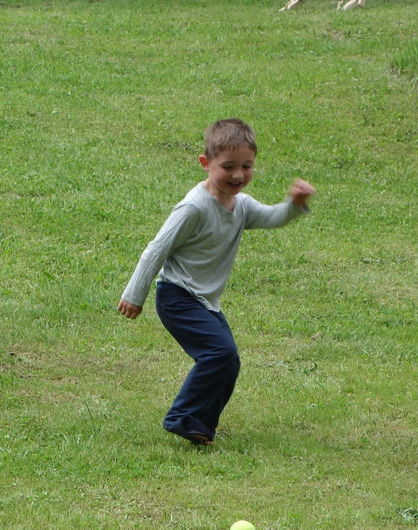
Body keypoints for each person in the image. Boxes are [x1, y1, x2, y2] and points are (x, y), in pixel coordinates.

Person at [118, 118, 313, 445]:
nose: (239, 175)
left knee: (228, 360)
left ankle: (199, 425)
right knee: (219, 354)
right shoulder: (194, 207)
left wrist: (294, 205)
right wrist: (134, 294)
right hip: (177, 296)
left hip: (204, 301)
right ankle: (183, 417)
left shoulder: (241, 206)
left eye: (247, 166)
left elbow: (273, 218)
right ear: (206, 164)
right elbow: (157, 249)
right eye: (229, 167)